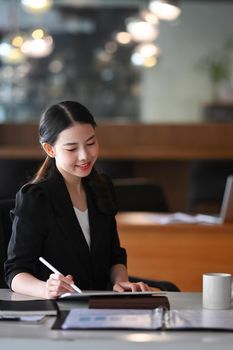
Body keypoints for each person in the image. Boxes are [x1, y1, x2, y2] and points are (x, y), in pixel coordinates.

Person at [5, 100, 151, 299]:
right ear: (50, 149)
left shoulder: (102, 187)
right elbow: (15, 273)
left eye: (91, 143)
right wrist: (45, 289)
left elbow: (115, 255)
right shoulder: (36, 198)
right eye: (72, 149)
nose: (84, 156)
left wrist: (120, 280)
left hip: (101, 306)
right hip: (57, 311)